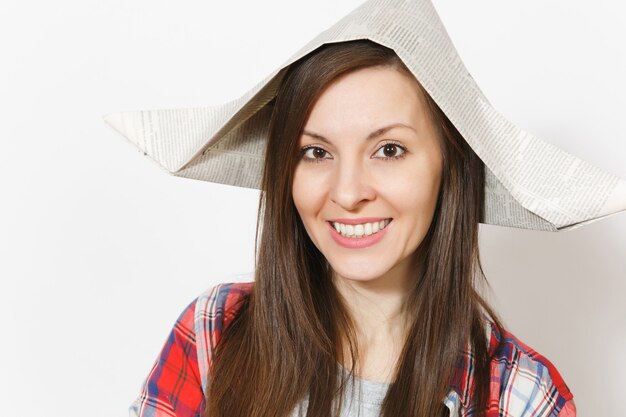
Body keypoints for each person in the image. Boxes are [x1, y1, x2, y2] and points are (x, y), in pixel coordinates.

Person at [128, 40, 576, 417]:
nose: (347, 192)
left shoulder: (521, 395)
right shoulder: (215, 332)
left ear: (449, 167)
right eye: (317, 153)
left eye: (389, 149)